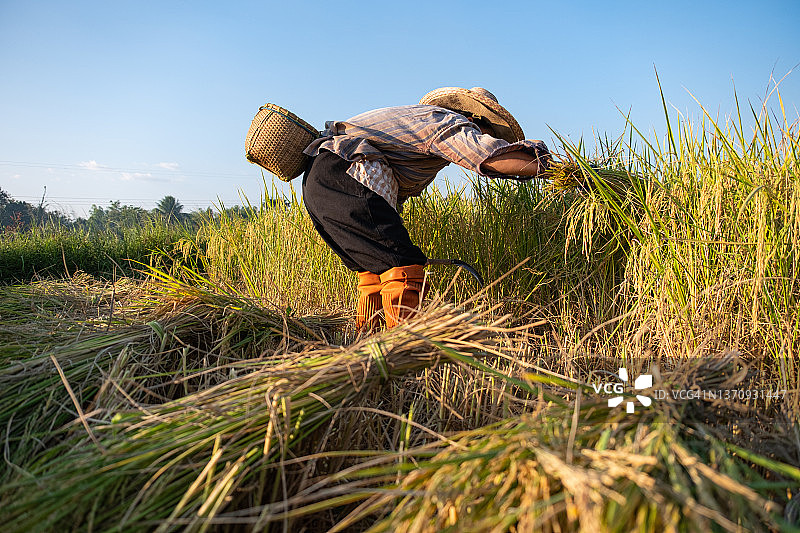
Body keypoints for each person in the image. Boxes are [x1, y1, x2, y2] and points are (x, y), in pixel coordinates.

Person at [301, 86, 551, 331]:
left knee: (374, 268)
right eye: (488, 134)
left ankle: (367, 342)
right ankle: (402, 348)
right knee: (402, 265)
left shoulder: (420, 133)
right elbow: (489, 156)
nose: (486, 139)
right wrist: (557, 170)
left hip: (320, 181)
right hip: (347, 173)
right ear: (474, 119)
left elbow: (388, 197)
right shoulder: (445, 120)